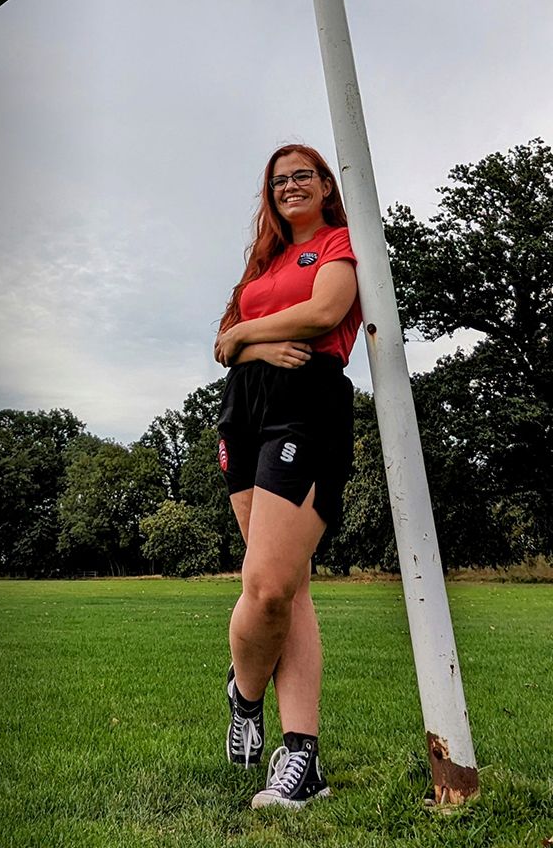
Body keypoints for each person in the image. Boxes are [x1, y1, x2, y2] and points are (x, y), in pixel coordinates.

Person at [208, 143, 363, 810]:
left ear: (327, 185)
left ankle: (244, 693)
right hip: (245, 410)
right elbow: (222, 343)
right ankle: (305, 759)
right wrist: (253, 341)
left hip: (307, 406)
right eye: (279, 180)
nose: (290, 185)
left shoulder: (341, 243)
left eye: (303, 175)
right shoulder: (263, 263)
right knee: (288, 588)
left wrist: (250, 334)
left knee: (268, 586)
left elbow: (326, 313)